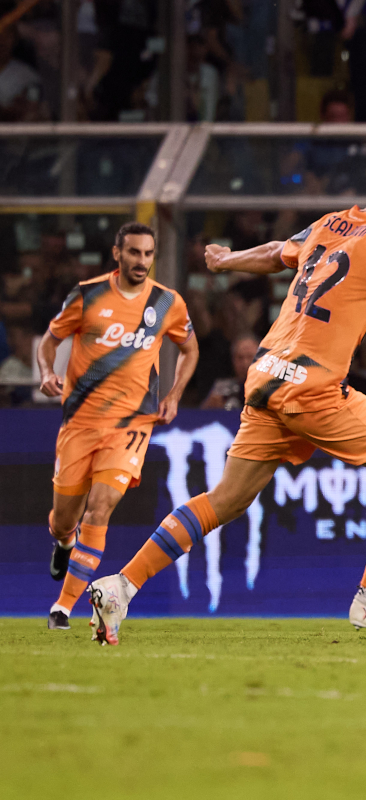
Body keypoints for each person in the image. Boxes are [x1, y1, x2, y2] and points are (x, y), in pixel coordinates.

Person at [85, 136, 366, 646]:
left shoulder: (331, 223)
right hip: (313, 387)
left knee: (226, 499)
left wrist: (228, 261)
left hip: (268, 374)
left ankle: (120, 586)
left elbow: (276, 254)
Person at [37, 223, 199, 631]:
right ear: (117, 254)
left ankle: (64, 606)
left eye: (148, 254)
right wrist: (45, 371)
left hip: (132, 424)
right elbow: (49, 341)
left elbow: (189, 348)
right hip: (81, 423)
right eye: (134, 253)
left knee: (101, 506)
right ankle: (63, 541)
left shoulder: (167, 303)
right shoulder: (88, 294)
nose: (141, 261)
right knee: (63, 517)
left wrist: (174, 393)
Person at [201, 334, 258, 410]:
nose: (245, 363)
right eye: (240, 358)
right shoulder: (221, 388)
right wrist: (210, 406)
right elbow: (200, 417)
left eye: (250, 357)